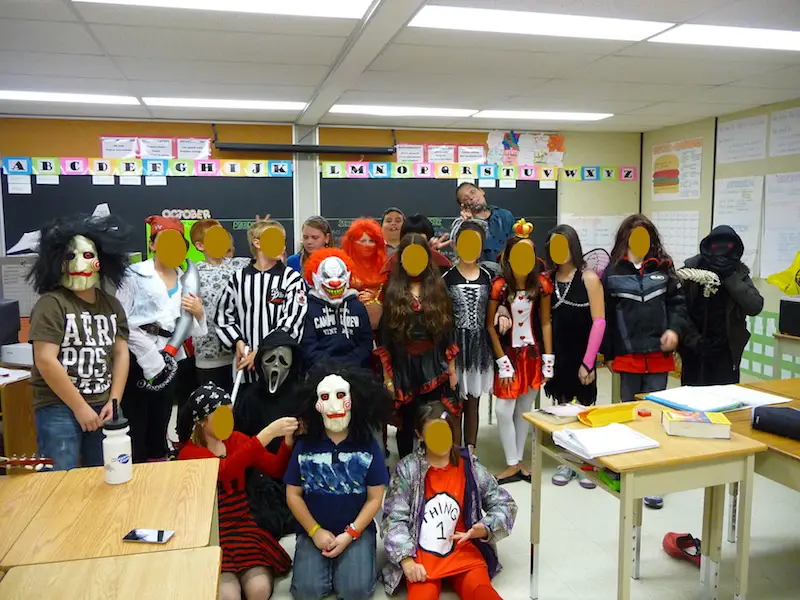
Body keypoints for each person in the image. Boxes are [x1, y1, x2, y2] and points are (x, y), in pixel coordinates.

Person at [381, 402, 517, 599]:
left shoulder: (469, 465)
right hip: (422, 557)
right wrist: (406, 560)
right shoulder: (407, 469)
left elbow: (505, 504)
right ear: (420, 436)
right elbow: (394, 518)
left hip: (464, 552)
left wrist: (485, 527)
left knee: (483, 593)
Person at [28, 214, 131, 471]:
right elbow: (45, 359)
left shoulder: (111, 304)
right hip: (58, 407)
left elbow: (120, 353)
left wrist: (114, 402)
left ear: (100, 261)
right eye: (70, 256)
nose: (78, 263)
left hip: (102, 405)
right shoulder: (52, 304)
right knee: (59, 479)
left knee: (103, 476)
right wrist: (79, 407)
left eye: (87, 256)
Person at [177, 382, 298, 600]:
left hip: (244, 527)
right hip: (212, 534)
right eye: (221, 416)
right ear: (202, 421)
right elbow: (223, 471)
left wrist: (287, 443)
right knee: (228, 596)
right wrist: (266, 435)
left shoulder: (237, 439)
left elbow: (275, 468)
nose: (228, 422)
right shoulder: (189, 453)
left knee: (259, 590)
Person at [285, 365, 391, 600]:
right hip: (313, 529)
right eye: (325, 397)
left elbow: (376, 497)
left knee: (355, 591)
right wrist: (314, 532)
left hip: (355, 530)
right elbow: (292, 494)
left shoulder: (368, 445)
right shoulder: (305, 445)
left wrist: (350, 534)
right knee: (306, 592)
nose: (333, 405)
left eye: (341, 395)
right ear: (316, 404)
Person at [603, 214, 687, 509]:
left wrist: (674, 330)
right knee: (629, 414)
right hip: (627, 358)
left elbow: (678, 304)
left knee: (657, 416)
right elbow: (607, 319)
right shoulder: (612, 272)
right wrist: (609, 354)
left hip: (659, 358)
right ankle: (629, 468)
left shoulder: (664, 269)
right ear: (625, 238)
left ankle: (654, 476)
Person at [117, 216, 205, 462]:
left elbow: (190, 327)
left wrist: (199, 312)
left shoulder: (185, 278)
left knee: (162, 418)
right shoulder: (133, 274)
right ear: (152, 244)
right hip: (136, 359)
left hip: (171, 359)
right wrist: (148, 356)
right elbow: (121, 322)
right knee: (136, 423)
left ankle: (157, 475)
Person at [375, 234, 459, 459]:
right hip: (403, 367)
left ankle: (433, 465)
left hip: (434, 365)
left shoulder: (438, 288)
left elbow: (447, 330)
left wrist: (451, 368)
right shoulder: (392, 290)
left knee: (433, 419)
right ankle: (406, 468)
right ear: (400, 259)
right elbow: (385, 338)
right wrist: (388, 378)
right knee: (406, 423)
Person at [487, 220, 553, 484]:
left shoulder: (542, 284)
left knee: (524, 409)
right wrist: (501, 360)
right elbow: (489, 326)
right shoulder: (500, 286)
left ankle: (517, 462)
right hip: (508, 356)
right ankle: (511, 461)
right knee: (504, 409)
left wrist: (549, 359)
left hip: (533, 354)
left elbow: (546, 322)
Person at [544, 225, 605, 488]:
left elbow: (599, 322)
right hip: (559, 355)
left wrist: (588, 362)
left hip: (583, 355)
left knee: (583, 410)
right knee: (562, 408)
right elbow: (544, 320)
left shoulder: (589, 278)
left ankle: (585, 462)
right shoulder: (547, 279)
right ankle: (567, 460)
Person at [216, 220, 307, 386]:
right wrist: (238, 342)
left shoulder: (291, 279)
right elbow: (223, 317)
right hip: (246, 371)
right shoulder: (239, 278)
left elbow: (293, 321)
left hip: (281, 369)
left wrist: (261, 352)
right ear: (257, 243)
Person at [678, 226, 764, 386]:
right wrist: (694, 341)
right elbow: (679, 310)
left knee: (725, 399)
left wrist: (729, 277)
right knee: (691, 403)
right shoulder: (692, 268)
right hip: (694, 348)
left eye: (728, 246)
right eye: (717, 246)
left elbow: (754, 306)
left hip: (726, 351)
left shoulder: (739, 272)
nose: (722, 251)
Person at [443, 220, 494, 450]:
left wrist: (502, 311)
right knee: (454, 403)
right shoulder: (446, 278)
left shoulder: (488, 276)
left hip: (480, 346)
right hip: (455, 346)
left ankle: (470, 452)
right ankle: (454, 453)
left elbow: (497, 304)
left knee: (473, 401)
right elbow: (443, 319)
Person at [190, 219, 251, 390]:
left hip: (241, 352)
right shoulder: (193, 274)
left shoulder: (241, 265)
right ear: (200, 246)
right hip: (209, 354)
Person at [301, 248, 373, 370]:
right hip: (320, 372)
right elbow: (308, 347)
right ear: (315, 278)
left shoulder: (357, 306)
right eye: (327, 276)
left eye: (339, 276)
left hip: (355, 371)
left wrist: (349, 366)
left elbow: (366, 343)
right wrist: (330, 367)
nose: (335, 282)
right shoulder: (309, 308)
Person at [341, 218, 388, 330]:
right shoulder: (342, 266)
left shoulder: (385, 266)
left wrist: (376, 296)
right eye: (363, 241)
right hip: (349, 323)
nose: (367, 245)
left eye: (371, 241)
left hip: (381, 325)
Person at [455, 182, 514, 265]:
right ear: (463, 205)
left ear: (481, 191)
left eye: (472, 192)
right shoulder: (462, 226)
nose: (471, 198)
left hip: (507, 270)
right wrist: (469, 225)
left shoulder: (505, 216)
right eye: (465, 198)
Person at [381, 214, 452, 277]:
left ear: (429, 239)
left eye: (419, 235)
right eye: (410, 235)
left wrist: (433, 255)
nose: (414, 239)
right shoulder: (394, 264)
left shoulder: (441, 263)